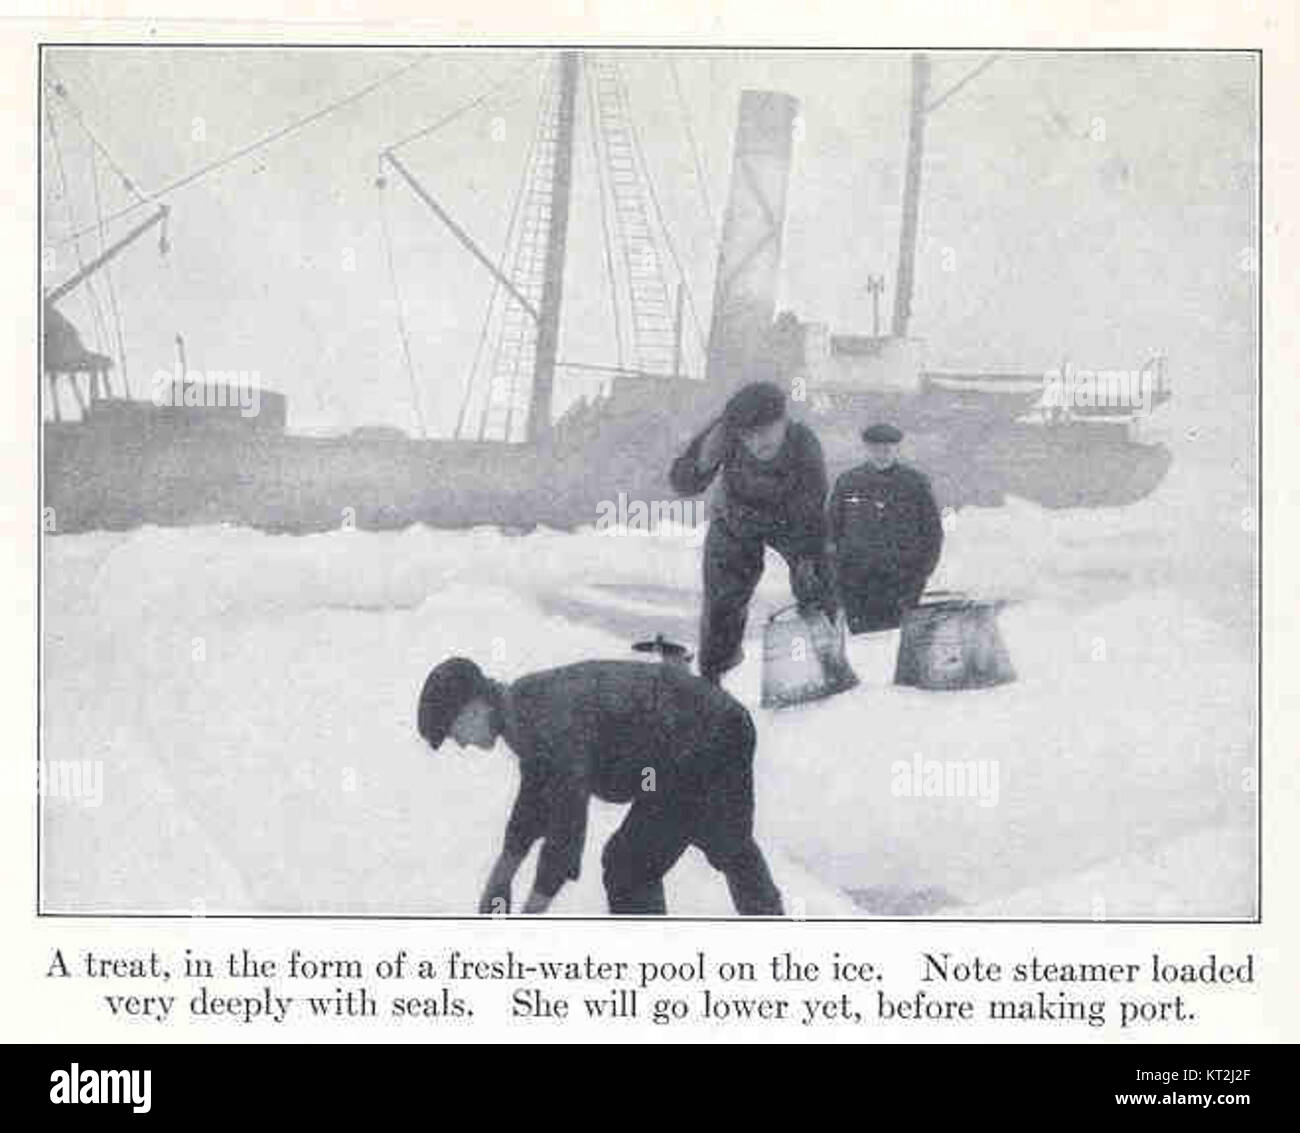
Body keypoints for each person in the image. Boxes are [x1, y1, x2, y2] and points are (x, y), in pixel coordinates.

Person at [416, 655, 785, 917]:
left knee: (632, 865)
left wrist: (532, 912)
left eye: (454, 732)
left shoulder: (540, 716)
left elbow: (567, 818)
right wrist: (503, 876)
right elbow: (536, 799)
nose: (461, 743)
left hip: (707, 737)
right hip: (697, 736)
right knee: (721, 840)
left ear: (474, 708)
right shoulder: (523, 707)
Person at [668, 380, 835, 683]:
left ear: (784, 422)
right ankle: (715, 674)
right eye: (748, 435)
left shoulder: (804, 443)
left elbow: (812, 508)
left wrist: (806, 564)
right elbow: (682, 484)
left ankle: (827, 665)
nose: (758, 442)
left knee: (818, 586)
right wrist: (702, 462)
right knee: (722, 600)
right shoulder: (723, 434)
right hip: (737, 519)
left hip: (792, 522)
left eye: (767, 431)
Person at [827, 423, 943, 633]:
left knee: (897, 641)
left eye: (887, 449)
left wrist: (922, 573)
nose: (881, 455)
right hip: (858, 582)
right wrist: (837, 575)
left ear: (897, 450)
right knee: (863, 644)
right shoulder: (849, 481)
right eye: (875, 449)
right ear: (866, 450)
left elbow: (932, 533)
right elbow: (832, 531)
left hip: (901, 580)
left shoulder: (915, 483)